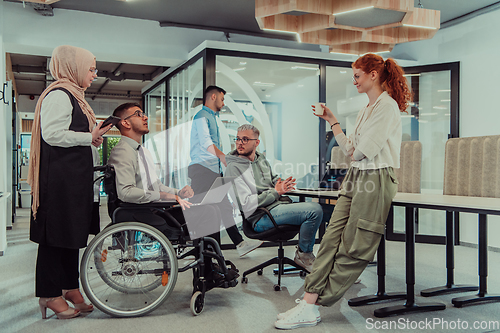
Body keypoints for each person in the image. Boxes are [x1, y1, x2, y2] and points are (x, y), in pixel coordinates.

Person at [274, 53, 411, 330]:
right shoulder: (365, 110)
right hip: (356, 176)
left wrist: (354, 151)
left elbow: (361, 151)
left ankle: (314, 303)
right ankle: (309, 302)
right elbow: (349, 151)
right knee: (331, 238)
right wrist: (332, 120)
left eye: (357, 76)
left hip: (377, 176)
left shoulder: (387, 107)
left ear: (374, 75)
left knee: (354, 246)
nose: (354, 81)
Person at [28, 45, 112, 319]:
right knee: (54, 238)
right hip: (59, 182)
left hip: (72, 180)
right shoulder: (59, 95)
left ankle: (69, 286)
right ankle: (49, 294)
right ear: (73, 68)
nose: (94, 74)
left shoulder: (75, 96)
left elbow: (70, 134)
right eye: (90, 69)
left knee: (69, 235)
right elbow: (52, 134)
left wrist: (93, 136)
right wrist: (89, 137)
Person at [225, 124, 323, 272]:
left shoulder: (261, 159)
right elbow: (246, 204)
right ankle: (304, 255)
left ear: (256, 142)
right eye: (238, 139)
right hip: (260, 216)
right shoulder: (234, 168)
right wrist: (276, 192)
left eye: (245, 139)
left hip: (276, 207)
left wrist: (282, 183)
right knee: (314, 210)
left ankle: (317, 257)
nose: (240, 143)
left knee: (322, 210)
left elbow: (272, 179)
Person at [189, 86, 262, 256]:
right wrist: (225, 158)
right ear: (213, 97)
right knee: (205, 215)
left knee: (225, 208)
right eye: (222, 99)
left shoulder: (212, 117)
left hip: (211, 171)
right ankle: (202, 254)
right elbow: (206, 143)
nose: (223, 103)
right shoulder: (201, 116)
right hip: (202, 171)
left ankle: (238, 244)